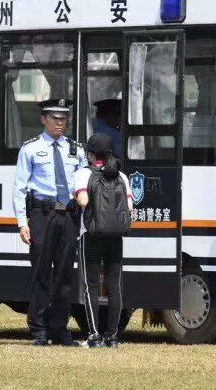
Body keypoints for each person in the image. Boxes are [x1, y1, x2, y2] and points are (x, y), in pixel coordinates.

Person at [12, 98, 87, 346]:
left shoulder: (76, 149)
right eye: (54, 118)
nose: (59, 123)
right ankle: (39, 329)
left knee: (65, 276)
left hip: (68, 216)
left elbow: (83, 184)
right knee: (41, 273)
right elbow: (19, 188)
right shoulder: (30, 149)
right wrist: (22, 223)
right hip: (42, 216)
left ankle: (60, 328)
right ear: (43, 119)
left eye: (63, 118)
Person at [74, 133, 133, 348]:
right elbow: (130, 207)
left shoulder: (83, 174)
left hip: (90, 234)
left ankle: (94, 336)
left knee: (90, 285)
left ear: (90, 154)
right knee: (114, 285)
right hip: (115, 236)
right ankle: (113, 336)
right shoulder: (121, 176)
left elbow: (82, 201)